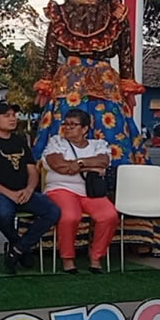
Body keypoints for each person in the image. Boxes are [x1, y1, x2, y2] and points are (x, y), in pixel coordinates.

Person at [33, 0, 148, 167]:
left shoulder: (114, 12)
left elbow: (125, 50)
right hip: (70, 78)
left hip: (103, 77)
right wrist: (46, 81)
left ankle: (115, 173)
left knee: (111, 122)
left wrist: (128, 85)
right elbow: (50, 50)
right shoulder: (61, 12)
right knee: (66, 119)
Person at [0, 102, 60, 274]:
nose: (12, 119)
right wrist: (9, 194)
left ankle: (18, 248)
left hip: (23, 192)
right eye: (7, 116)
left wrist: (29, 189)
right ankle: (22, 248)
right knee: (4, 213)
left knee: (53, 211)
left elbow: (32, 171)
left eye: (13, 115)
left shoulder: (20, 141)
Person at [41, 109, 118, 274]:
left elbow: (103, 162)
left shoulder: (98, 144)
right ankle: (68, 258)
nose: (67, 128)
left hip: (90, 191)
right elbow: (58, 165)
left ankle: (96, 257)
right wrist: (90, 165)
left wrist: (79, 163)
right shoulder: (56, 142)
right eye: (65, 124)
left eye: (73, 125)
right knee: (70, 216)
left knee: (109, 215)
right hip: (61, 189)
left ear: (84, 129)